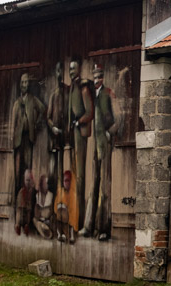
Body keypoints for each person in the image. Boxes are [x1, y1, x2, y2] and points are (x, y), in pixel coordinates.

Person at [87, 64, 117, 241]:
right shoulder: (92, 96)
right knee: (94, 185)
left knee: (105, 187)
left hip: (105, 144)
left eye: (99, 77)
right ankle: (89, 226)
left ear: (103, 78)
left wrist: (109, 131)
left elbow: (118, 118)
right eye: (94, 77)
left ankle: (103, 228)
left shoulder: (108, 93)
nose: (97, 80)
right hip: (94, 145)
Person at [67, 60, 93, 234]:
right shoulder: (71, 88)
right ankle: (74, 219)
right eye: (70, 70)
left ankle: (80, 220)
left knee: (80, 178)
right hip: (73, 133)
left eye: (73, 69)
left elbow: (89, 112)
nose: (71, 72)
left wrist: (78, 122)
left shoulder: (83, 88)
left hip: (80, 133)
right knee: (75, 175)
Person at [11, 72, 45, 203]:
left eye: (26, 82)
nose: (24, 85)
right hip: (18, 139)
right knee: (18, 168)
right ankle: (17, 195)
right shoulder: (17, 103)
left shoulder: (32, 99)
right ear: (20, 85)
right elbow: (13, 123)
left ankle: (28, 196)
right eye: (23, 82)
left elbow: (43, 109)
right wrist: (12, 139)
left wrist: (36, 123)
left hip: (29, 137)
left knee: (28, 167)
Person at [46, 61, 68, 182]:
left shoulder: (68, 92)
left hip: (65, 136)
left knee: (64, 167)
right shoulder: (53, 95)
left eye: (62, 71)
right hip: (54, 138)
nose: (60, 74)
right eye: (58, 71)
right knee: (53, 167)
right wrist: (53, 127)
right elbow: (48, 117)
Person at [53, 170, 78, 243]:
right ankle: (60, 234)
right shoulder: (60, 191)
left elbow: (73, 214)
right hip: (60, 219)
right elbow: (55, 207)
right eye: (64, 181)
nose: (66, 183)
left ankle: (69, 235)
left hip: (69, 224)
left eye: (67, 181)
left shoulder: (73, 195)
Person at [14, 169, 36, 236]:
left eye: (29, 180)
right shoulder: (21, 191)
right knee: (19, 212)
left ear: (32, 180)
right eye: (26, 180)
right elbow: (18, 206)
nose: (28, 182)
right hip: (21, 207)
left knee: (28, 215)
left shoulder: (32, 191)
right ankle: (17, 225)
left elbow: (33, 201)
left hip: (28, 209)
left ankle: (26, 225)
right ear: (24, 180)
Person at [33, 174, 54, 239]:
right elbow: (36, 213)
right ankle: (44, 231)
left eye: (46, 184)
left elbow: (49, 212)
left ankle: (43, 229)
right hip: (39, 220)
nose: (45, 186)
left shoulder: (50, 195)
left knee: (43, 222)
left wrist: (41, 211)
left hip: (47, 221)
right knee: (34, 220)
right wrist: (42, 211)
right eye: (43, 184)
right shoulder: (37, 195)